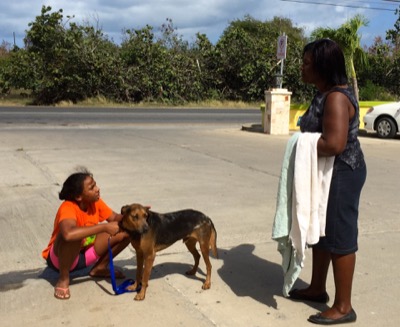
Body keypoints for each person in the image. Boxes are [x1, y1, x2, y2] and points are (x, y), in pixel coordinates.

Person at [288, 39, 367, 325]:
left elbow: (334, 144)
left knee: (339, 237)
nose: (302, 68)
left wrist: (299, 145)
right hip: (327, 172)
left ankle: (344, 306)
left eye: (307, 63)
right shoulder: (324, 93)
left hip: (342, 172)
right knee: (321, 231)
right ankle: (318, 288)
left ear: (322, 66)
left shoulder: (335, 97)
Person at [42, 168, 131, 300]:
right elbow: (68, 234)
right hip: (61, 260)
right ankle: (63, 278)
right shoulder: (68, 207)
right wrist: (104, 227)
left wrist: (135, 215)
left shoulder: (95, 202)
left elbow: (115, 218)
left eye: (95, 184)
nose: (97, 189)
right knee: (73, 236)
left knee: (128, 231)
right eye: (92, 187)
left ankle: (99, 268)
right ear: (79, 196)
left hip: (85, 255)